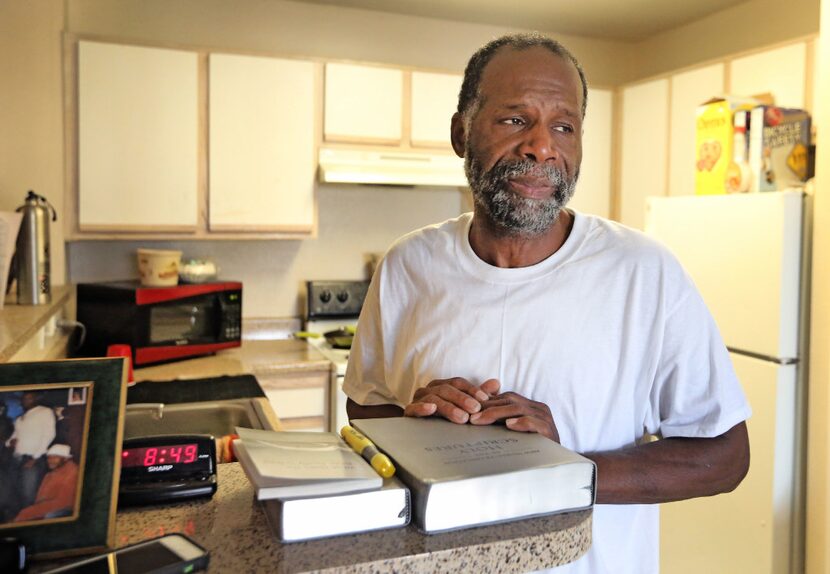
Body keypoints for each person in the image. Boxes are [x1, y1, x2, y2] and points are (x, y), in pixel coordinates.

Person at [343, 33, 751, 574]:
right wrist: (416, 428)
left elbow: (722, 457)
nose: (542, 146)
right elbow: (364, 406)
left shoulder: (643, 272)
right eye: (515, 120)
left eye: (564, 126)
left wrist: (562, 467)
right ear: (461, 133)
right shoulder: (408, 266)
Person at [5, 391, 57, 510]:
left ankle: (29, 520)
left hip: (33, 459)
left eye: (29, 398)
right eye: (24, 399)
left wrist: (35, 457)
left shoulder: (44, 412)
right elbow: (15, 435)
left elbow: (49, 435)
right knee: (15, 490)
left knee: (29, 494)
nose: (25, 401)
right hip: (16, 458)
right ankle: (18, 519)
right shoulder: (20, 418)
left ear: (36, 399)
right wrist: (9, 442)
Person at [14, 444, 79, 522]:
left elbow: (64, 503)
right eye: (49, 457)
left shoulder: (73, 473)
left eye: (55, 457)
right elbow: (39, 499)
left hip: (61, 511)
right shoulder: (49, 475)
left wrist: (31, 511)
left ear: (65, 459)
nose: (50, 461)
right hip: (44, 508)